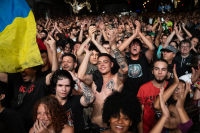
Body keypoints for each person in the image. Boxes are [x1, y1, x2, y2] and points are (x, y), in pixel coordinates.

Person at [0, 35, 59, 132]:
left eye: (26, 68)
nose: (22, 71)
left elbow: (55, 75)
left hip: (36, 128)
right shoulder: (16, 80)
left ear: (35, 69)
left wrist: (53, 48)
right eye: (21, 68)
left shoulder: (41, 82)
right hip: (16, 127)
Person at [78, 29, 128, 131]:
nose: (102, 64)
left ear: (111, 64)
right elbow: (80, 77)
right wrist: (87, 54)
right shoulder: (94, 79)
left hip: (114, 127)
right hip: (95, 127)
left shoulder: (117, 78)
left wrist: (113, 45)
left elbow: (125, 68)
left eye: (105, 62)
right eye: (99, 62)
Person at [118, 20, 154, 95]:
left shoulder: (145, 58)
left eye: (137, 45)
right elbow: (119, 50)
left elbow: (152, 48)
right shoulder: (125, 60)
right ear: (129, 49)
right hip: (128, 94)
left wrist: (140, 33)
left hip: (143, 93)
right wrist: (134, 35)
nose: (135, 46)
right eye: (133, 45)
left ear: (141, 49)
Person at [137, 59, 169, 133]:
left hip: (167, 129)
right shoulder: (143, 88)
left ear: (167, 72)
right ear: (152, 71)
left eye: (163, 69)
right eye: (156, 69)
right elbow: (139, 114)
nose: (160, 72)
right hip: (147, 129)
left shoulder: (170, 87)